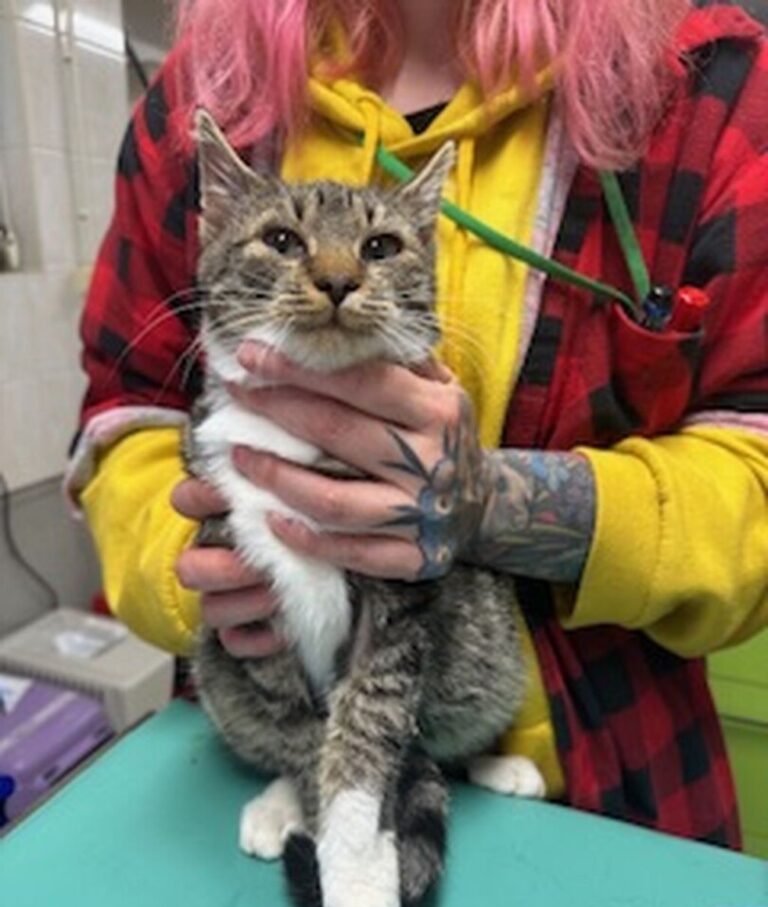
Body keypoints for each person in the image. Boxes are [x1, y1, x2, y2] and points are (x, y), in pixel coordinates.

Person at [69, 0, 768, 849]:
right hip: (271, 733)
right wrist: (201, 564)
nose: (332, 276)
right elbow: (124, 408)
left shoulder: (707, 83)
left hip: (613, 781)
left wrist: (492, 502)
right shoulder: (202, 89)